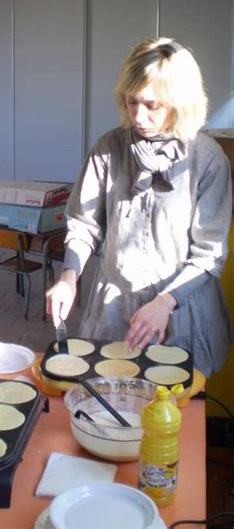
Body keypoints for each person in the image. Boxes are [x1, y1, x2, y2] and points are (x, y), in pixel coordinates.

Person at [46, 37, 232, 377]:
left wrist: (164, 302)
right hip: (117, 305)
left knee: (172, 409)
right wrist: (69, 277)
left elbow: (209, 255)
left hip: (180, 306)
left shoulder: (206, 161)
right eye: (132, 102)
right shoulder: (109, 148)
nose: (138, 116)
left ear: (181, 103)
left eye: (152, 105)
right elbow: (83, 225)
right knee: (111, 392)